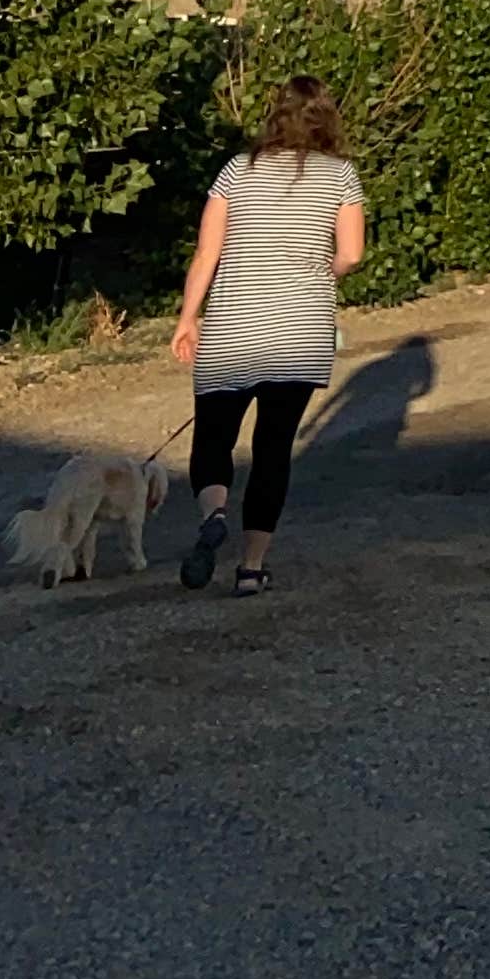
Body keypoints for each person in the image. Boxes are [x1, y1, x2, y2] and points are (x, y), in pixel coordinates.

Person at [167, 80, 367, 599]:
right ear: (327, 119)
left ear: (275, 118)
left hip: (232, 326)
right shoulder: (341, 175)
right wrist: (319, 269)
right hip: (300, 331)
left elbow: (206, 254)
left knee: (213, 436)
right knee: (272, 449)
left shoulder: (237, 170)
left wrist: (189, 318)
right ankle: (251, 569)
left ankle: (213, 514)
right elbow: (352, 255)